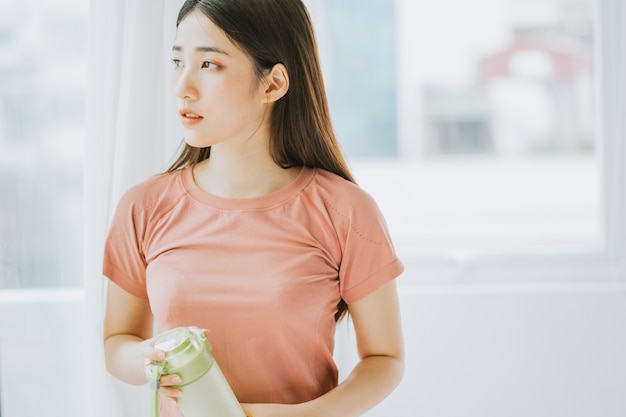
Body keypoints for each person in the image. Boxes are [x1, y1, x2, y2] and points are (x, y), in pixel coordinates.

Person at [102, 0, 405, 416]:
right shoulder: (143, 207)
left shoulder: (347, 212)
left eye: (210, 65)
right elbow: (117, 340)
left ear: (273, 84)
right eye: (177, 60)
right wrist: (147, 359)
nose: (182, 86)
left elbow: (385, 360)